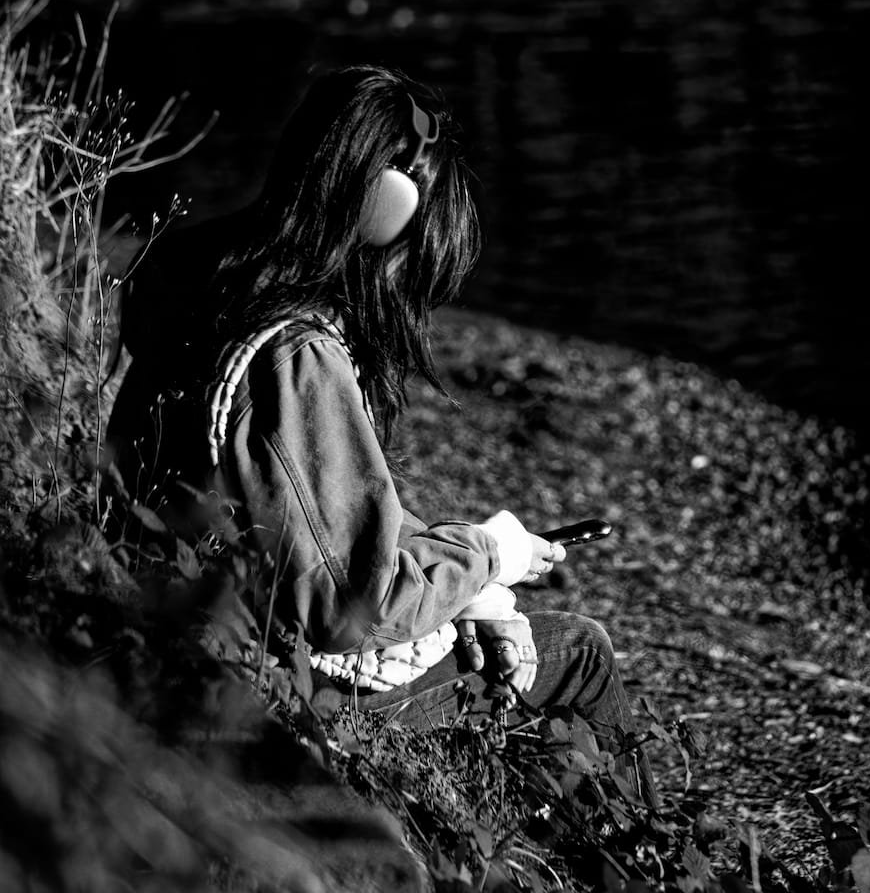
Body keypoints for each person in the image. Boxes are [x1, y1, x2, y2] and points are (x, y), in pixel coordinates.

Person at [105, 64, 656, 804]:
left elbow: (314, 521)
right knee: (580, 652)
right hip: (261, 695)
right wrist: (492, 553)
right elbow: (350, 605)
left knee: (496, 626)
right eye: (413, 264)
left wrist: (473, 593)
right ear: (380, 213)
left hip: (181, 647)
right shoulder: (295, 358)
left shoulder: (211, 300)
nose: (405, 293)